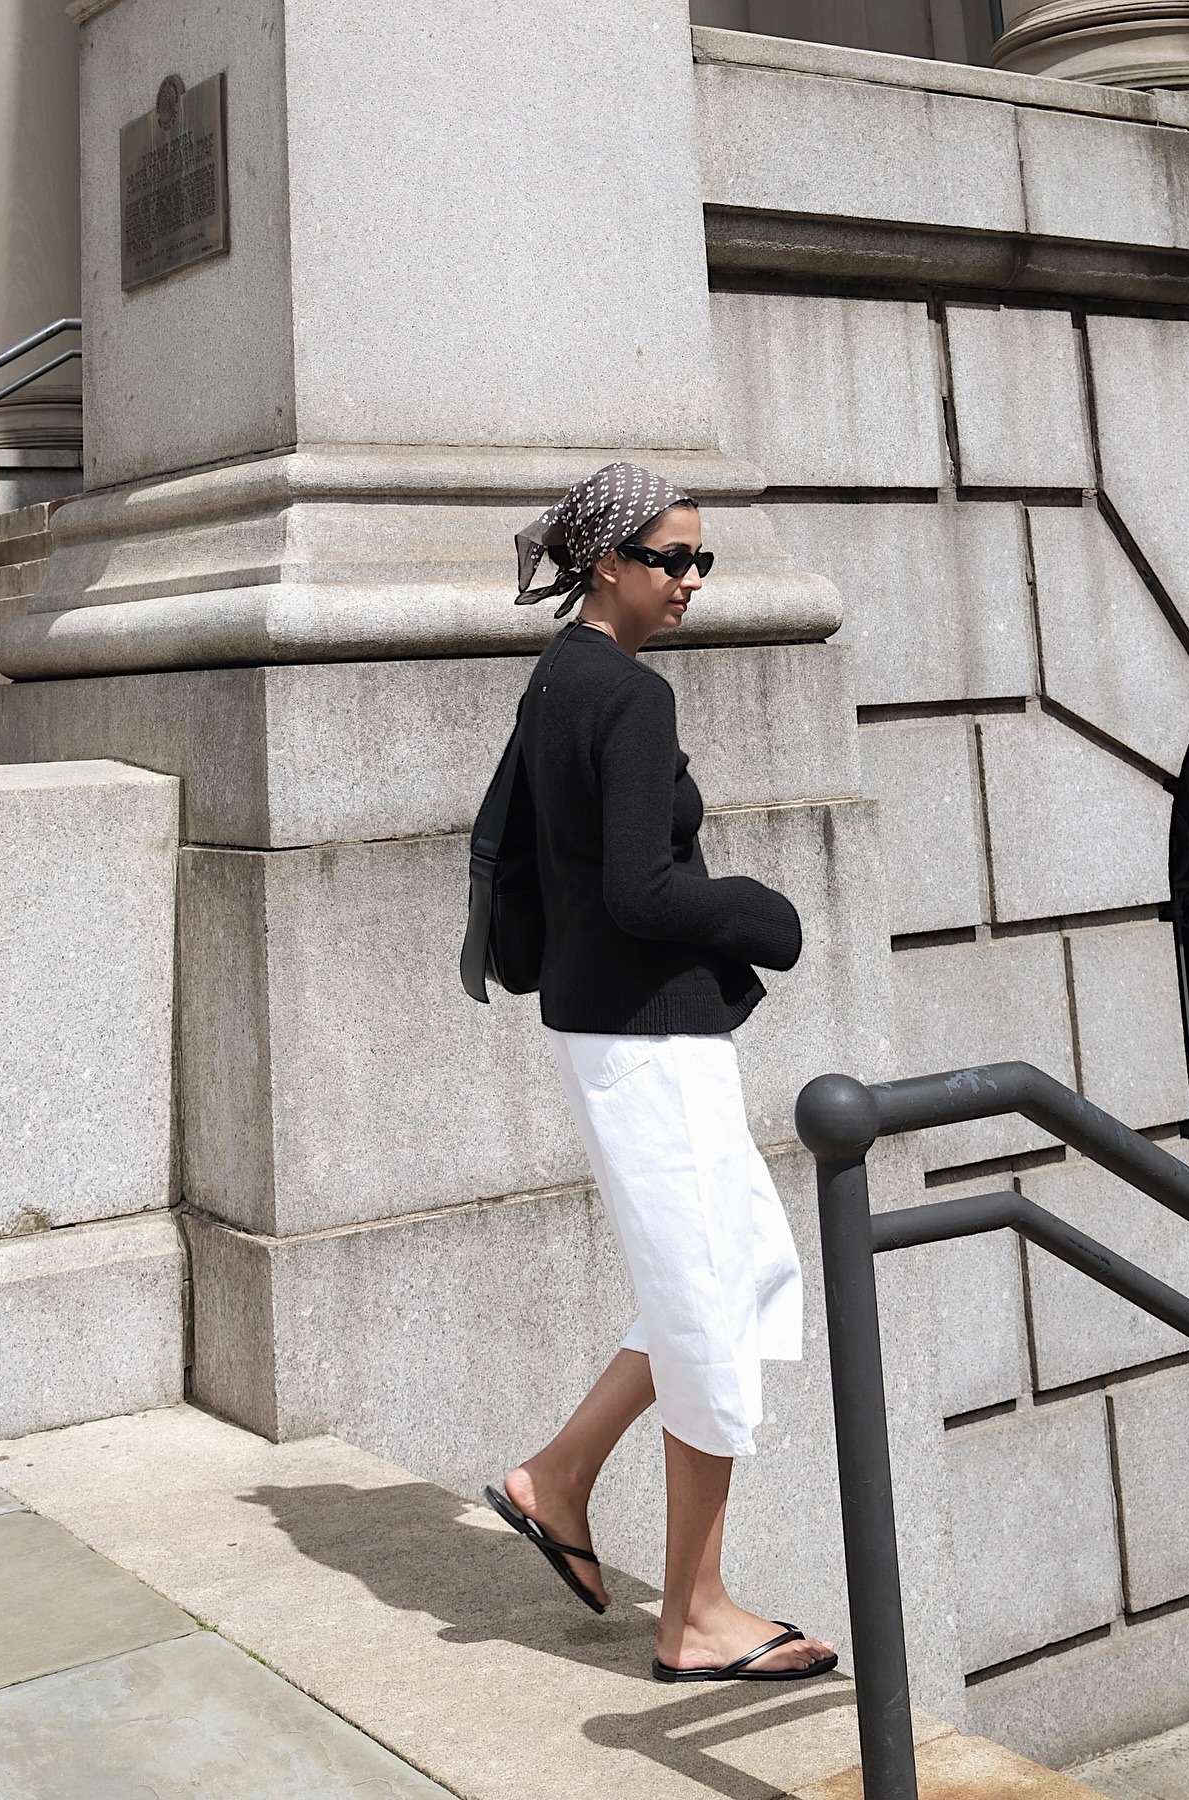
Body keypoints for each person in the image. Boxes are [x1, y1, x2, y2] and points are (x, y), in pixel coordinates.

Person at [482, 463, 837, 1684]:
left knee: (733, 1272)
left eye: (701, 559)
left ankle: (559, 1476)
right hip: (649, 1036)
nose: (691, 580)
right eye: (670, 558)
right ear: (607, 564)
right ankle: (694, 1616)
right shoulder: (628, 696)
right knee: (707, 1308)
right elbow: (642, 890)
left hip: (617, 1030)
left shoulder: (559, 678)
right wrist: (765, 916)